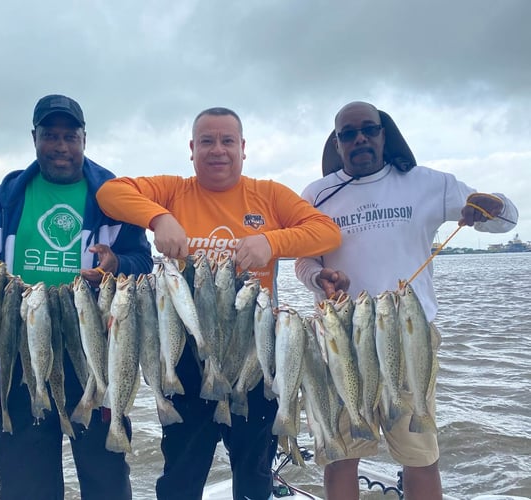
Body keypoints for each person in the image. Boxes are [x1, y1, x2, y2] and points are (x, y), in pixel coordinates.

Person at [0, 94, 153, 500]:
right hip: (17, 349)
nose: (61, 146)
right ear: (34, 138)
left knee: (106, 475)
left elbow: (142, 260)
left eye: (70, 136)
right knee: (25, 479)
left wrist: (117, 264)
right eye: (50, 136)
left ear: (85, 139)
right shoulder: (7, 198)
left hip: (92, 350)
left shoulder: (112, 198)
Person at [95, 107, 342, 500]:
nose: (218, 150)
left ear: (243, 149)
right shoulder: (174, 190)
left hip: (254, 352)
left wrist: (271, 242)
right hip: (185, 354)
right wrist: (159, 218)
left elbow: (328, 234)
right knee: (182, 469)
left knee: (254, 467)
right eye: (207, 141)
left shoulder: (269, 195)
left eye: (228, 141)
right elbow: (110, 193)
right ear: (192, 150)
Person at [295, 101, 519, 500]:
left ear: (385, 134)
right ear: (337, 142)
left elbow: (504, 219)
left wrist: (493, 206)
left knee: (419, 454)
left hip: (410, 333)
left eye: (369, 129)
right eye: (348, 133)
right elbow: (304, 260)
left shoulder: (427, 183)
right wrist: (318, 277)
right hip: (339, 337)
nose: (360, 138)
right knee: (341, 455)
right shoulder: (316, 194)